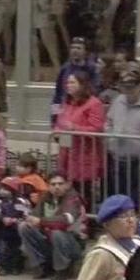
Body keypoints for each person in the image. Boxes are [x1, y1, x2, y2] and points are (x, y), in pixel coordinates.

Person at [19, 172, 86, 280]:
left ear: (67, 185)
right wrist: (30, 218)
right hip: (49, 240)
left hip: (73, 243)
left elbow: (66, 220)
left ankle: (63, 269)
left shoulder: (73, 198)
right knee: (24, 227)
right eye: (53, 184)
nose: (57, 187)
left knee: (57, 232)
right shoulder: (46, 197)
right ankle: (41, 265)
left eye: (60, 184)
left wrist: (41, 221)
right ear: (48, 186)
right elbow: (35, 214)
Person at [107, 69, 140, 200]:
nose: (127, 89)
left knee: (139, 195)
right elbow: (109, 122)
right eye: (123, 85)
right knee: (119, 193)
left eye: (131, 85)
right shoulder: (118, 100)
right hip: (118, 157)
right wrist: (110, 139)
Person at [55, 71, 105, 208]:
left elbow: (96, 129)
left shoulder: (94, 103)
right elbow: (60, 122)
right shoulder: (67, 103)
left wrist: (75, 128)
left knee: (83, 193)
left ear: (82, 84)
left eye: (72, 82)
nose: (68, 85)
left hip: (85, 155)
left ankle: (85, 221)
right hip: (67, 154)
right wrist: (57, 132)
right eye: (67, 82)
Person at [51, 36, 97, 124]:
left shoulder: (92, 69)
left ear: (85, 51)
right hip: (66, 112)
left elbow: (95, 91)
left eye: (79, 48)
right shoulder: (65, 68)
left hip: (84, 113)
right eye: (73, 48)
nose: (75, 50)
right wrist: (54, 118)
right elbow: (58, 94)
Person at [0, 176, 32, 276]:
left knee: (16, 249)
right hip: (3, 229)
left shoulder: (21, 202)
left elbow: (26, 215)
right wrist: (2, 219)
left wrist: (15, 220)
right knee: (3, 249)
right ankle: (4, 266)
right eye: (2, 188)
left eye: (6, 189)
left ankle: (16, 267)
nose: (2, 191)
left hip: (16, 230)